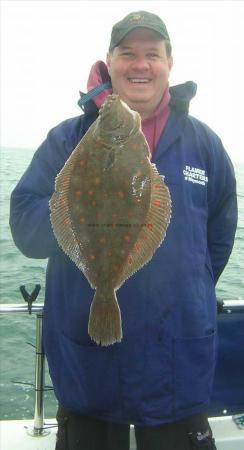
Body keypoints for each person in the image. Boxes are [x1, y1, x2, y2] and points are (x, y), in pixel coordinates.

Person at [9, 10, 237, 450]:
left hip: (177, 369)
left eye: (152, 54)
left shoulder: (205, 145)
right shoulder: (67, 140)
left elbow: (218, 237)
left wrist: (188, 285)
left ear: (170, 63)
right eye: (127, 53)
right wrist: (71, 213)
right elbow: (24, 226)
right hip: (89, 371)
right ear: (109, 63)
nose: (140, 64)